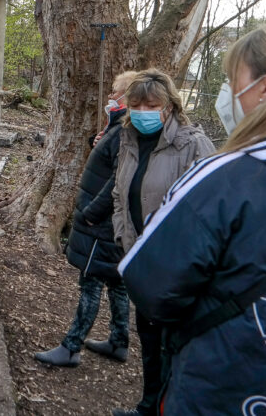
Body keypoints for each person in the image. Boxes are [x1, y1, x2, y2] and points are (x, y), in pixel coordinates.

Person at [120, 22, 266, 414]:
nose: (229, 92)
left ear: (265, 86)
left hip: (226, 392)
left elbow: (151, 285)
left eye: (231, 78)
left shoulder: (223, 179)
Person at [110, 69, 215, 416]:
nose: (142, 111)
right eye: (136, 103)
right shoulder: (128, 140)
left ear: (169, 106)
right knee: (150, 342)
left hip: (177, 268)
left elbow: (207, 210)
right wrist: (123, 235)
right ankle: (148, 406)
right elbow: (120, 194)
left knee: (175, 346)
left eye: (151, 104)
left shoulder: (193, 145)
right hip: (141, 262)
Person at [34, 70, 138, 367]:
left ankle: (71, 347)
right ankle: (119, 341)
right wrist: (99, 142)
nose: (110, 97)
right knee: (116, 282)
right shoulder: (118, 129)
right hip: (113, 224)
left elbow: (120, 179)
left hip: (103, 223)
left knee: (91, 283)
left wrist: (91, 213)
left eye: (115, 92)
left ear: (127, 98)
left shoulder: (126, 132)